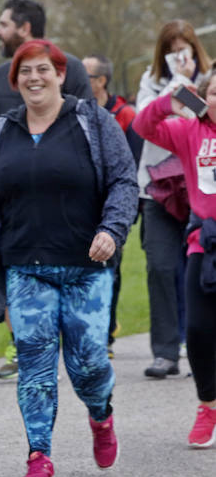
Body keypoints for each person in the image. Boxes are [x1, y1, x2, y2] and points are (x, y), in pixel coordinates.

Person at [0, 40, 138, 477]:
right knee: (35, 363)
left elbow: (123, 182)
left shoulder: (91, 121)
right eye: (25, 72)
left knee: (88, 364)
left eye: (43, 70)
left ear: (61, 75)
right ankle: (39, 455)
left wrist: (111, 231)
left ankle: (100, 414)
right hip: (25, 268)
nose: (34, 78)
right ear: (15, 80)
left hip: (86, 266)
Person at [0, 0, 93, 381]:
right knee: (13, 269)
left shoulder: (73, 70)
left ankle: (73, 344)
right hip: (9, 197)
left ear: (24, 29)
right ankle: (24, 347)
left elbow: (90, 126)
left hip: (62, 201)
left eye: (3, 24)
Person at [134, 67, 216, 448]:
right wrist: (172, 100)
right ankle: (208, 406)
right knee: (198, 331)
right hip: (205, 244)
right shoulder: (190, 133)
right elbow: (143, 126)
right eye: (213, 93)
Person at [134, 20, 211, 379]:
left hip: (200, 189)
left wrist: (192, 83)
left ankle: (202, 349)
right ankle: (165, 351)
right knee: (161, 267)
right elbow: (145, 121)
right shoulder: (149, 84)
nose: (180, 55)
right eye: (172, 49)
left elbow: (199, 114)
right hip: (159, 189)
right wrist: (177, 83)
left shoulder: (210, 81)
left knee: (202, 273)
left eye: (186, 48)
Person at [83, 54, 144, 359]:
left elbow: (130, 169)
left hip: (113, 208)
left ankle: (105, 334)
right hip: (81, 207)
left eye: (85, 75)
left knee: (111, 270)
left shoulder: (125, 115)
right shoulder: (74, 111)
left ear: (101, 81)